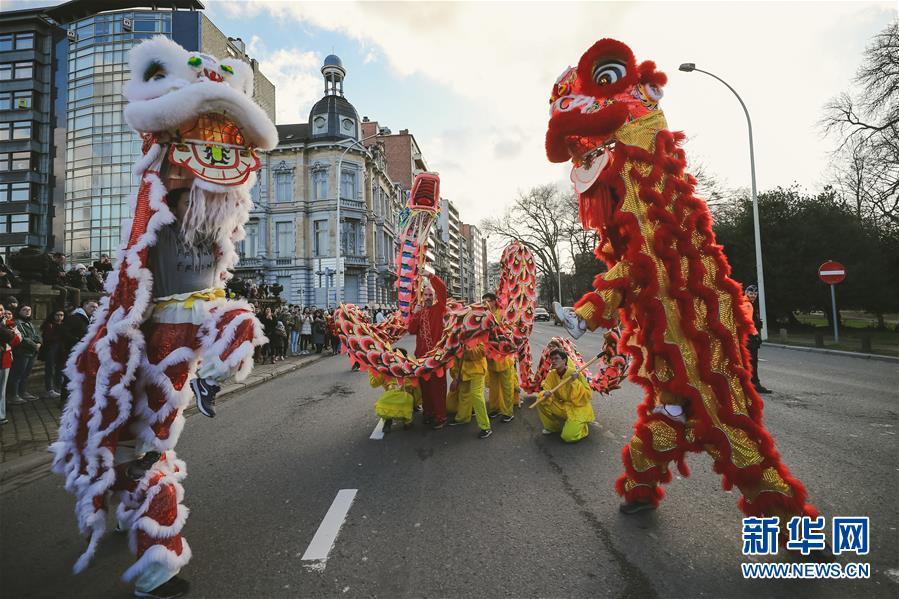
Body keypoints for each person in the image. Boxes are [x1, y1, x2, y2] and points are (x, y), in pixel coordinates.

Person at [408, 274, 448, 429]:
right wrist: (415, 313)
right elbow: (411, 330)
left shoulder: (440, 307)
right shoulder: (419, 310)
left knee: (438, 387)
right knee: (425, 387)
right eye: (426, 295)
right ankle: (428, 413)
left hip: (438, 356)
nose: (429, 297)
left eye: (431, 295)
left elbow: (442, 288)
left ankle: (440, 417)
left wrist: (430, 276)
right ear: (422, 296)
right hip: (422, 357)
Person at [531, 348, 595, 443]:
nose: (553, 361)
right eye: (552, 359)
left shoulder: (575, 374)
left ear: (564, 360)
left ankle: (583, 429)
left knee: (567, 437)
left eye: (556, 358)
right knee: (541, 399)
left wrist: (575, 382)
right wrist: (546, 393)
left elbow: (587, 395)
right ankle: (553, 427)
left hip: (578, 408)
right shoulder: (552, 374)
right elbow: (547, 388)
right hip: (564, 406)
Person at [482, 292, 517, 423]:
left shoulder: (502, 313)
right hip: (491, 358)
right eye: (484, 300)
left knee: (507, 386)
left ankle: (508, 412)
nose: (486, 303)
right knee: (493, 386)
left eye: (488, 300)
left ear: (494, 301)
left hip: (504, 357)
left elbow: (509, 330)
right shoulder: (483, 315)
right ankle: (495, 408)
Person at [447, 341, 492, 439]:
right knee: (464, 394)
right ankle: (463, 418)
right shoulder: (456, 333)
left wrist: (468, 350)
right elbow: (454, 357)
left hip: (477, 370)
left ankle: (485, 426)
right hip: (463, 371)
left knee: (476, 395)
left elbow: (483, 351)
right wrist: (456, 376)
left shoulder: (479, 332)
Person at [370, 348, 418, 433]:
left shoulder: (385, 369)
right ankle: (407, 422)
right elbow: (415, 385)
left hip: (387, 401)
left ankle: (388, 421)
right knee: (410, 397)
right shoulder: (409, 368)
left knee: (389, 402)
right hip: (405, 399)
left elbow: (374, 384)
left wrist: (372, 368)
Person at [7, 305, 41, 403]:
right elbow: (22, 337)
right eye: (24, 310)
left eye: (29, 310)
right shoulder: (17, 323)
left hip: (32, 353)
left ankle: (23, 392)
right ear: (19, 311)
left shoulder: (30, 323)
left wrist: (39, 342)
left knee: (26, 373)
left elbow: (37, 334)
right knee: (17, 373)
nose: (27, 311)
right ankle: (14, 394)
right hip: (22, 352)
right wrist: (35, 345)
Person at [744, 284, 770, 394]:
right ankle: (755, 384)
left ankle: (748, 383)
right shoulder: (748, 305)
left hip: (746, 337)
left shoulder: (745, 303)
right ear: (746, 293)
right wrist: (755, 335)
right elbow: (748, 322)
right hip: (750, 338)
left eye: (755, 294)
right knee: (753, 361)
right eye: (751, 293)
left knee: (748, 362)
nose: (753, 295)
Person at [0, 303, 21, 422]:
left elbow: (18, 339)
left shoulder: (10, 323)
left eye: (1, 310)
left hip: (4, 360)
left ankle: (1, 415)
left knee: (1, 389)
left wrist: (7, 338)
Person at [39, 309, 66, 398]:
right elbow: (46, 338)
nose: (59, 317)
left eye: (61, 315)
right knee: (49, 369)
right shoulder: (49, 325)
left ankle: (58, 387)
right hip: (51, 348)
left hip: (61, 349)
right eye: (57, 315)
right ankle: (49, 389)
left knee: (60, 369)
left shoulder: (64, 325)